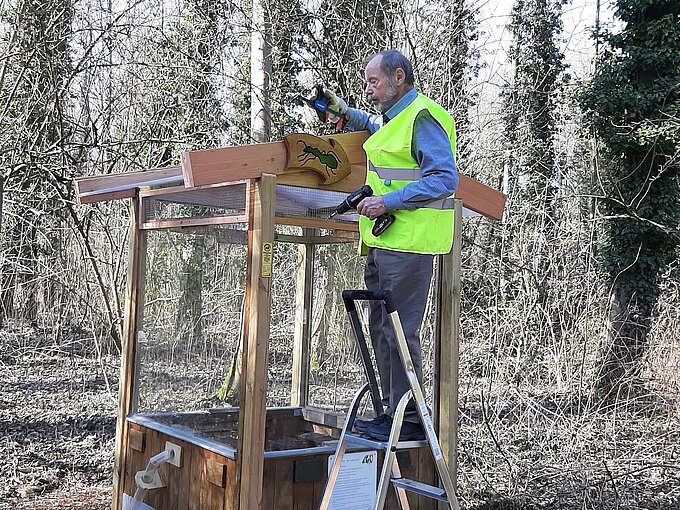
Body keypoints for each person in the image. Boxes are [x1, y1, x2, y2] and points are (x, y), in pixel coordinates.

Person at [323, 50, 459, 441]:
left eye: (374, 82)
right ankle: (390, 413)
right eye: (367, 82)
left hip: (411, 244)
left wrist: (387, 202)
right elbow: (375, 130)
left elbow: (443, 180)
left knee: (400, 330)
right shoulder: (393, 120)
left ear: (399, 77)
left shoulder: (422, 118)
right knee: (382, 326)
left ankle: (409, 418)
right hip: (385, 242)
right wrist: (343, 113)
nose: (369, 89)